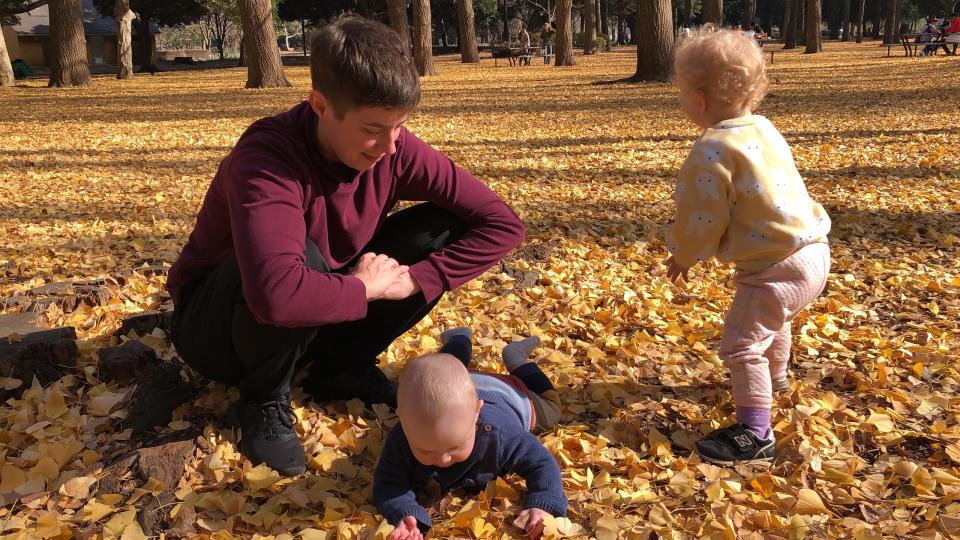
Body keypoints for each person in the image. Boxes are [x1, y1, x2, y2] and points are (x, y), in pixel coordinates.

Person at [166, 16, 525, 477]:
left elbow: (503, 223)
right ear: (320, 105)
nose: (391, 146)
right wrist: (365, 289)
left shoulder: (395, 149)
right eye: (374, 127)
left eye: (401, 126)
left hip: (315, 309)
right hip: (215, 331)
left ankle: (339, 367)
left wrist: (417, 278)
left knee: (439, 226)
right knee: (303, 258)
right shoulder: (268, 159)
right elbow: (274, 294)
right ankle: (263, 397)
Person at [665, 26, 831, 465]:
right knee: (775, 321)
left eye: (682, 93)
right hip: (813, 251)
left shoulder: (712, 148)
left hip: (774, 267)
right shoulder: (763, 126)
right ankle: (774, 380)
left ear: (699, 101)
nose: (682, 102)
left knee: (740, 344)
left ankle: (755, 433)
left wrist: (683, 254)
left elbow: (701, 218)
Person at [373, 328, 566, 539]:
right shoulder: (403, 435)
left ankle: (516, 358)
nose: (442, 459)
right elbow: (389, 482)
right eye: (425, 451)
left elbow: (541, 462)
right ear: (402, 421)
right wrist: (404, 514)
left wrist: (545, 500)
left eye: (454, 447)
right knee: (444, 368)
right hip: (459, 385)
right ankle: (459, 338)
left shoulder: (501, 433)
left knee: (552, 408)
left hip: (510, 394)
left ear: (476, 414)